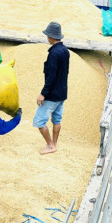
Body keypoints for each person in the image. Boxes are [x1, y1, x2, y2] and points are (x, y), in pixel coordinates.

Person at [34, 21, 70, 155]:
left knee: (39, 121)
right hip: (62, 93)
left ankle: (50, 145)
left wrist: (43, 93)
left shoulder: (54, 53)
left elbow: (51, 76)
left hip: (52, 95)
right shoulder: (65, 50)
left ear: (51, 36)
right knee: (57, 119)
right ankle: (54, 144)